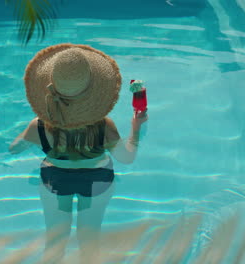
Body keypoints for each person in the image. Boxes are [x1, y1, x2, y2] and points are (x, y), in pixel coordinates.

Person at [9, 43, 148, 263]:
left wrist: (27, 134)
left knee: (55, 243)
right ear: (92, 92)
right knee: (89, 241)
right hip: (97, 182)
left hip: (55, 180)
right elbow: (127, 158)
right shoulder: (104, 126)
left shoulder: (39, 126)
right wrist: (137, 129)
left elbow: (14, 149)